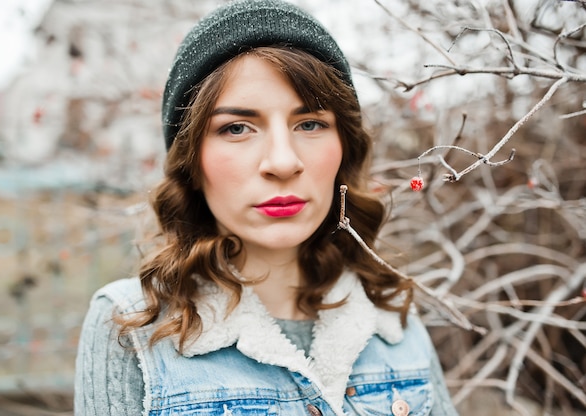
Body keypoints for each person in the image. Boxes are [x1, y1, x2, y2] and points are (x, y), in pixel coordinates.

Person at [74, 1, 459, 415]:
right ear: (191, 161)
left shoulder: (392, 318)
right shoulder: (131, 326)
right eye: (237, 128)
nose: (282, 162)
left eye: (309, 124)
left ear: (343, 147)